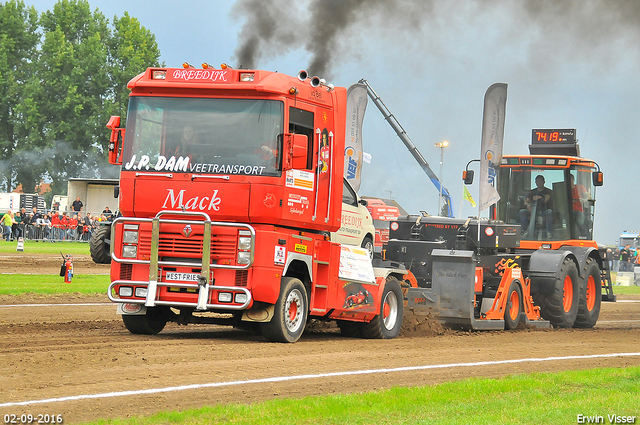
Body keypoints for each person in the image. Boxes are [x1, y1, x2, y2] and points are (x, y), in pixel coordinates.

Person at [519, 174, 554, 239]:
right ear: (535, 182)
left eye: (540, 181)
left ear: (544, 182)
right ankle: (523, 231)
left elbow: (546, 199)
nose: (539, 183)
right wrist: (528, 206)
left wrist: (540, 198)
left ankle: (549, 232)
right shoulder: (532, 192)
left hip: (544, 211)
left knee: (549, 212)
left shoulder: (548, 191)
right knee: (522, 212)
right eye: (537, 181)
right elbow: (526, 202)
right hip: (533, 211)